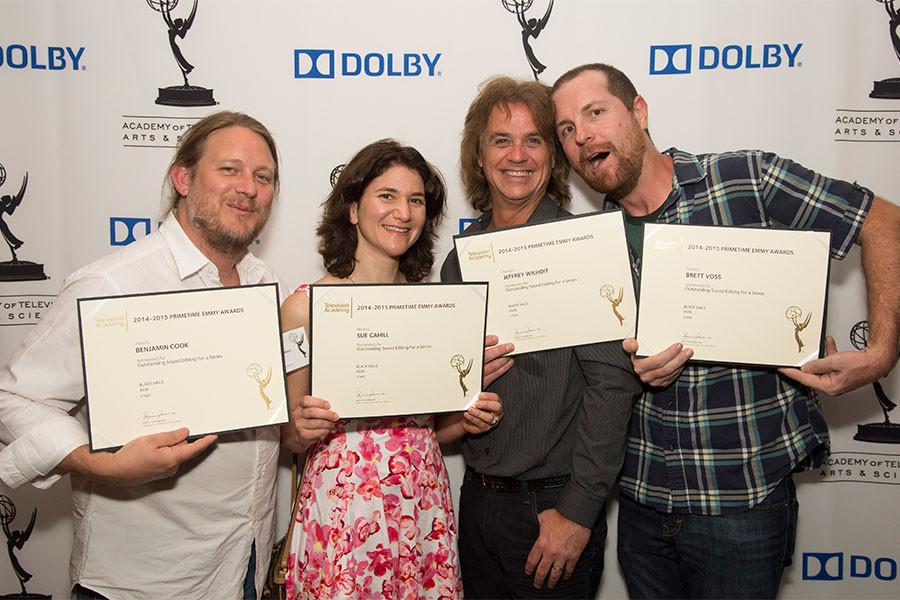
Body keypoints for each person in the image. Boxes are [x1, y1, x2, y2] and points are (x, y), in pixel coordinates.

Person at [551, 62, 900, 599]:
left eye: (595, 112)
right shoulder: (588, 244)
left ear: (639, 112)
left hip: (743, 504)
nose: (582, 136)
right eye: (567, 130)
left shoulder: (745, 179)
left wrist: (880, 354)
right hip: (642, 507)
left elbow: (881, 221)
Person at [0, 111, 287, 600]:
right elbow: (14, 398)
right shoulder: (113, 285)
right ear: (183, 177)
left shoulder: (263, 288)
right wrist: (100, 463)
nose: (249, 188)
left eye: (263, 177)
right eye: (230, 169)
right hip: (143, 581)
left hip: (243, 566)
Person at [440, 76, 641, 599]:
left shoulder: (583, 247)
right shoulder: (460, 262)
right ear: (478, 157)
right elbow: (450, 387)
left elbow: (613, 388)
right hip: (476, 501)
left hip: (553, 510)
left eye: (534, 141)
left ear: (553, 158)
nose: (518, 155)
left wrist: (577, 511)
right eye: (500, 140)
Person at [280, 139, 503, 599]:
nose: (403, 212)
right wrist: (300, 428)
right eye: (387, 196)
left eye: (416, 200)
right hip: (343, 515)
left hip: (421, 509)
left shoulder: (434, 309)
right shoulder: (302, 310)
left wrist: (465, 419)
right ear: (352, 209)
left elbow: (420, 431)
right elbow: (288, 437)